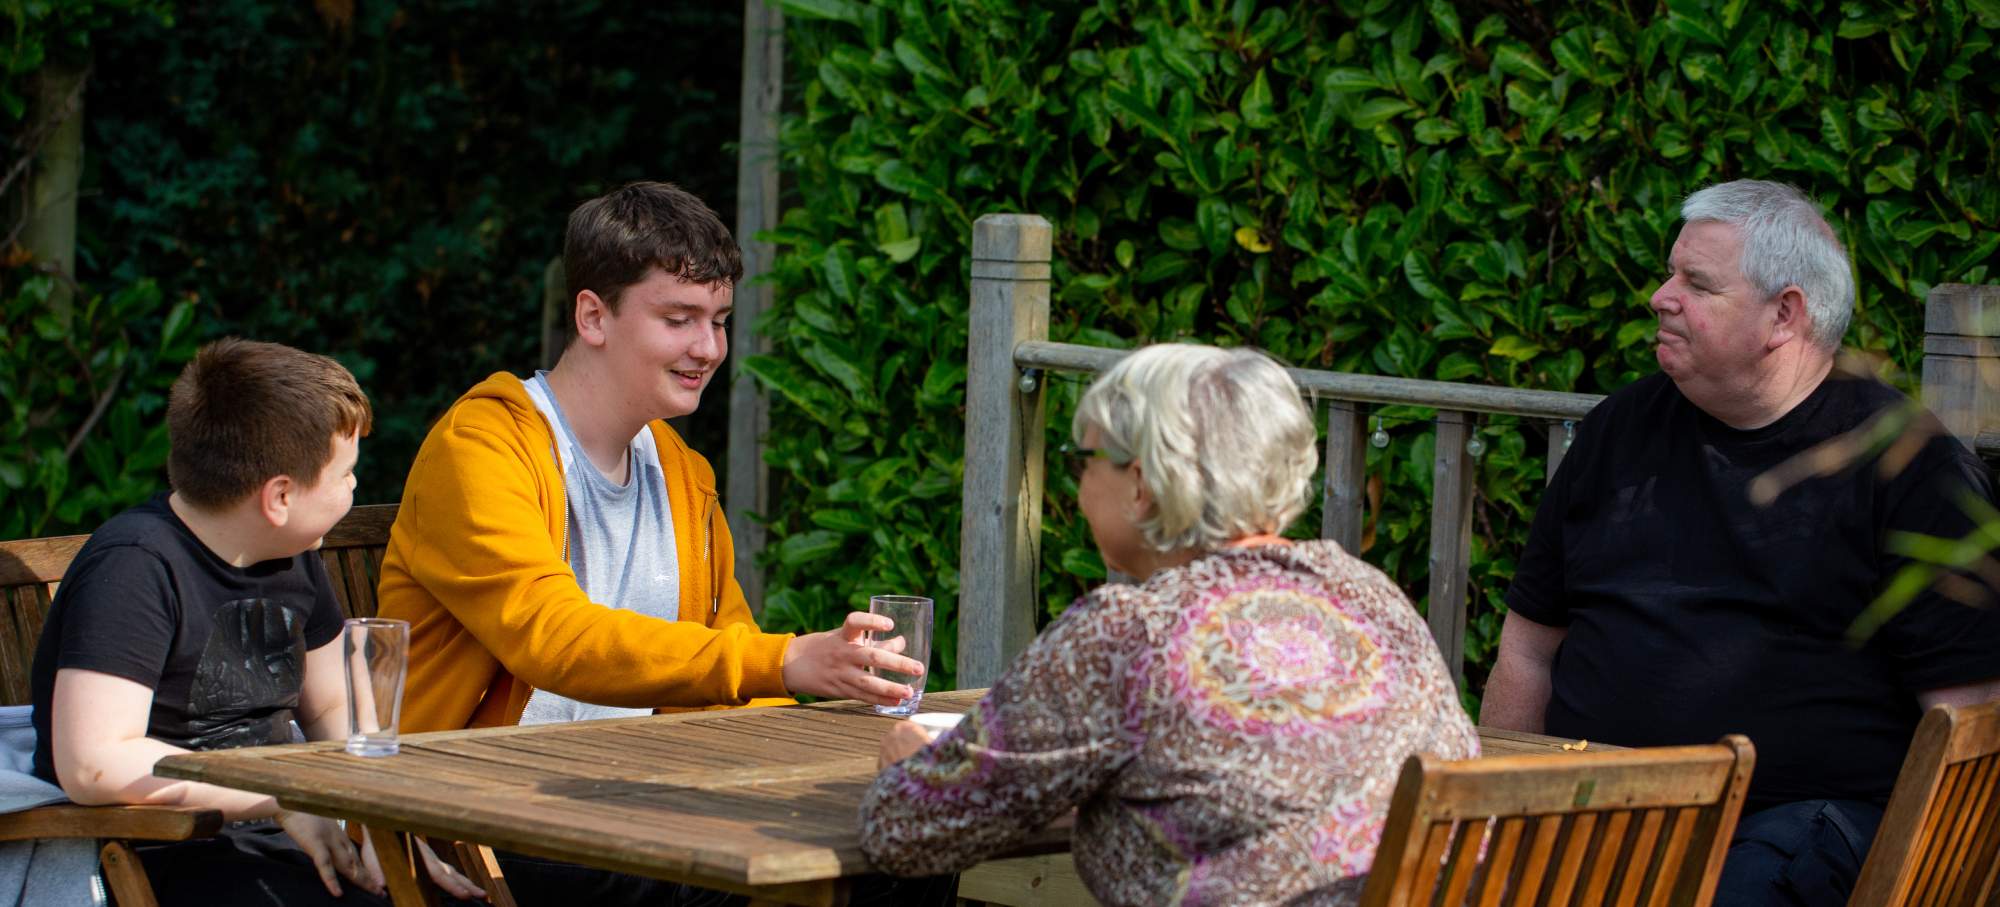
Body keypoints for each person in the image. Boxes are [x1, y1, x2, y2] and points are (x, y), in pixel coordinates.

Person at [375, 181, 929, 904]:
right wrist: (787, 657)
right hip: (480, 816)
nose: (708, 348)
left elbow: (724, 660)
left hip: (635, 790)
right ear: (592, 315)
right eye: (679, 319)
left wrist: (837, 747)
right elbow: (553, 637)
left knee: (911, 839)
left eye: (720, 321)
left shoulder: (681, 471)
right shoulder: (480, 448)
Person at [1483, 179, 2000, 905]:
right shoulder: (1619, 430)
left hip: (1793, 839)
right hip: (1597, 810)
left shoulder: (1911, 470)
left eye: (1696, 282)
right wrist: (1491, 814)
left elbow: (1969, 725)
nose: (1661, 296)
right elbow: (1528, 651)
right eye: (1670, 272)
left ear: (1784, 314)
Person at [858, 343, 1479, 905]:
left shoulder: (1129, 634)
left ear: (1143, 483)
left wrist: (914, 762)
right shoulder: (1373, 598)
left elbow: (907, 834)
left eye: (1085, 460)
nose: (1076, 485)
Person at [29, 339, 483, 906]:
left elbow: (331, 707)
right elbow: (95, 765)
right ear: (280, 496)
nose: (355, 487)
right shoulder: (134, 568)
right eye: (345, 474)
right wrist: (283, 794)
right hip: (163, 846)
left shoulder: (289, 554)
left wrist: (374, 818)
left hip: (273, 834)